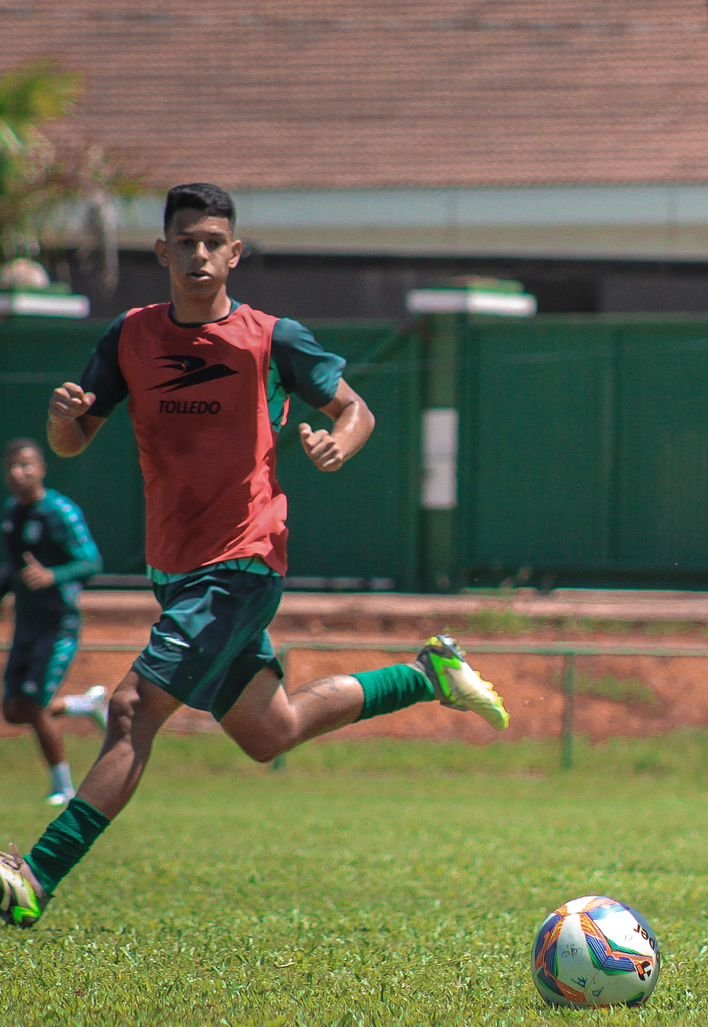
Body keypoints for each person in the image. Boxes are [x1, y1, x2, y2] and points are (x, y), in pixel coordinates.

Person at [0, 183, 509, 929]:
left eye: (214, 241)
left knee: (132, 708)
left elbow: (353, 407)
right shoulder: (130, 338)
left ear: (234, 254)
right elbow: (75, 441)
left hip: (242, 561)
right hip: (176, 571)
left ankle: (35, 877)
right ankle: (425, 673)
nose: (199, 253)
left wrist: (342, 442)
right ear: (163, 251)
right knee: (270, 731)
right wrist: (63, 423)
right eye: (186, 240)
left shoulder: (273, 337)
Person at [2, 437, 111, 806]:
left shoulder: (61, 511)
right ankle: (85, 705)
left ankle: (62, 787)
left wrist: (53, 575)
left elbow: (92, 562)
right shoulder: (11, 514)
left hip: (58, 624)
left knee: (33, 704)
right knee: (14, 710)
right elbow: (12, 570)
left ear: (42, 469)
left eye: (27, 465)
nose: (19, 473)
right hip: (26, 625)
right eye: (13, 467)